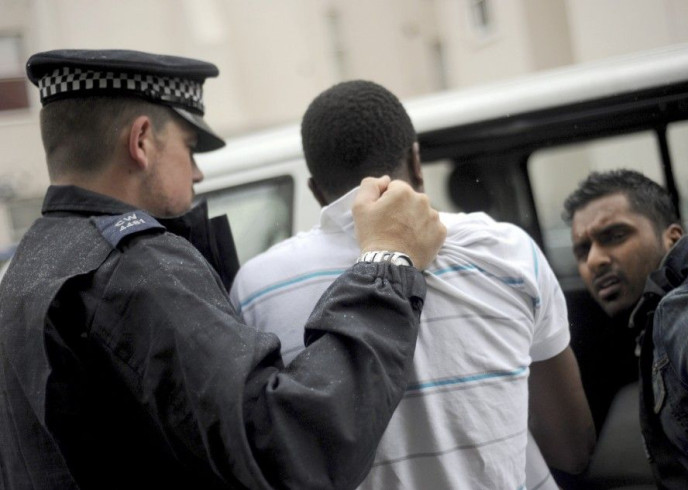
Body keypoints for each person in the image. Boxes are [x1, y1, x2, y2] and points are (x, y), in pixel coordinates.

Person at [0, 49, 446, 490]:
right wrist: (389, 260)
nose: (196, 173)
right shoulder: (135, 268)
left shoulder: (27, 270)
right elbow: (291, 446)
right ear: (141, 142)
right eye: (190, 148)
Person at [230, 80, 595, 489]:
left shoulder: (256, 287)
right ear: (416, 160)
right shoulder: (508, 252)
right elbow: (571, 447)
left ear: (316, 190)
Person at [563, 169, 688, 488]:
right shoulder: (657, 313)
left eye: (614, 236)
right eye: (582, 250)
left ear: (672, 237)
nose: (595, 260)